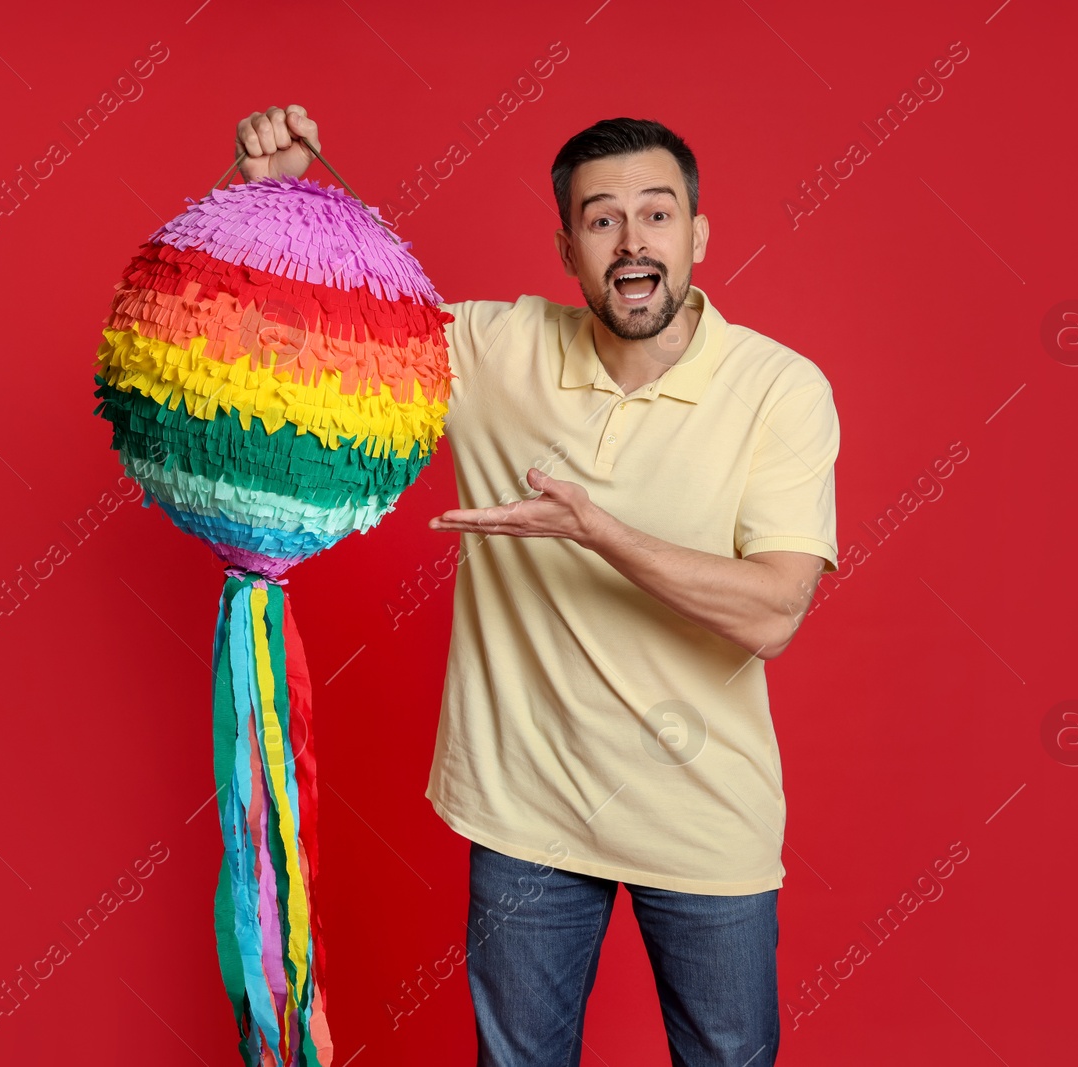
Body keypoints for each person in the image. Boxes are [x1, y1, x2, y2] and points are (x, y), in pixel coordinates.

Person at [234, 104, 841, 1067]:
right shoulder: (497, 351)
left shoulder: (779, 389)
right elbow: (360, 312)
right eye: (603, 220)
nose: (633, 241)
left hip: (703, 815)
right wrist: (288, 193)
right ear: (567, 247)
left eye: (657, 213)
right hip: (526, 815)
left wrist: (595, 532)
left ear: (698, 235)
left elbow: (772, 611)